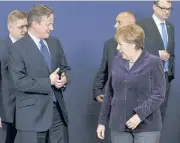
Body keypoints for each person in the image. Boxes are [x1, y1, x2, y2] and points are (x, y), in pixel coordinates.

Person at [8, 4, 70, 143]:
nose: (52, 28)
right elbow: (19, 82)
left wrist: (64, 78)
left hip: (57, 115)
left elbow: (65, 67)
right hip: (32, 118)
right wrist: (48, 81)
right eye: (49, 24)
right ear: (35, 23)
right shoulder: (18, 48)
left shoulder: (55, 42)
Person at [96, 24, 166, 143]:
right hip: (119, 125)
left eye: (121, 44)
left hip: (147, 126)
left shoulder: (154, 62)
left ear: (133, 44)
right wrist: (102, 122)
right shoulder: (117, 60)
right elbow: (109, 93)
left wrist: (139, 115)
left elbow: (159, 94)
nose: (118, 48)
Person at [137, 0, 174, 121]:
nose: (166, 11)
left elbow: (171, 52)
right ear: (154, 7)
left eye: (169, 9)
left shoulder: (170, 27)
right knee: (146, 115)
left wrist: (170, 73)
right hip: (148, 77)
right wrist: (157, 53)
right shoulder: (142, 24)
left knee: (160, 115)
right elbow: (135, 49)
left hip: (165, 77)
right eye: (163, 8)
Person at [93, 11, 136, 103]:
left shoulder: (144, 45)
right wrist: (97, 91)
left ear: (131, 24)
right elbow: (104, 70)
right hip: (113, 100)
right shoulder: (109, 44)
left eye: (119, 22)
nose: (115, 25)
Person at [0, 10, 27, 143]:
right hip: (6, 112)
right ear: (10, 27)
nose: (25, 30)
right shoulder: (1, 48)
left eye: (26, 26)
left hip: (27, 109)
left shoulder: (30, 48)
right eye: (20, 27)